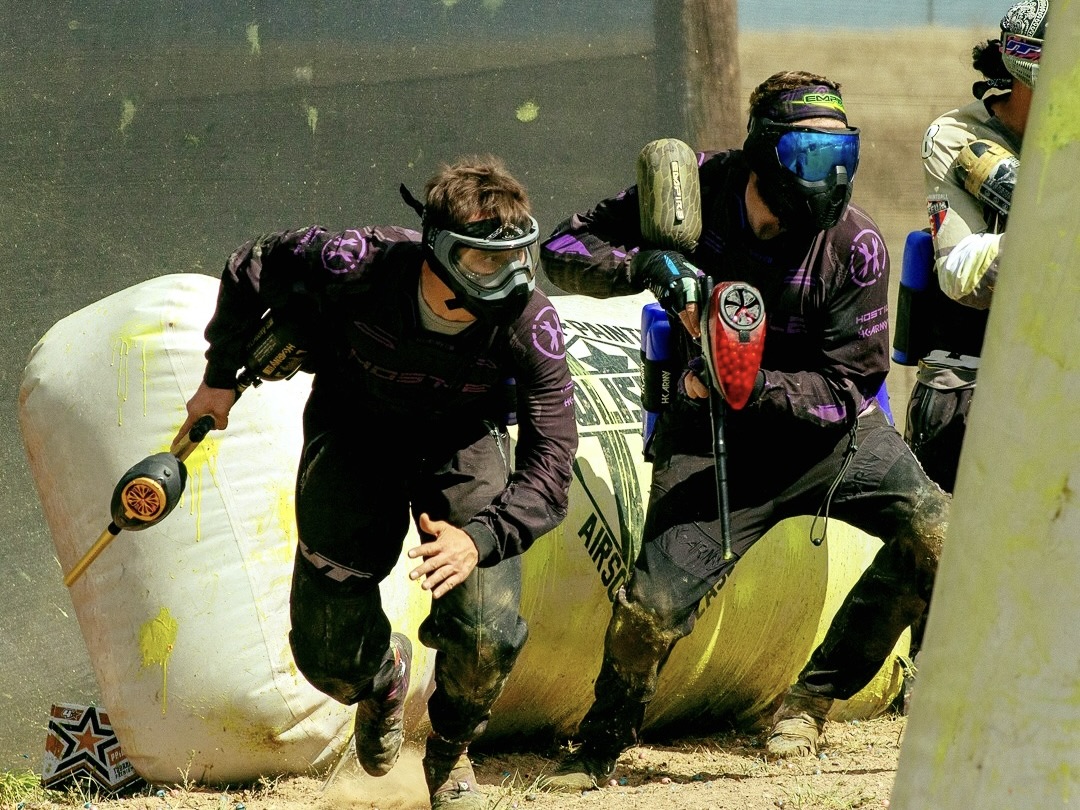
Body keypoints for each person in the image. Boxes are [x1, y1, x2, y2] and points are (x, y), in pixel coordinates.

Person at [537, 71, 950, 789]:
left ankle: (813, 699)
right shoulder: (693, 194)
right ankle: (601, 747)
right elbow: (562, 250)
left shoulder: (855, 248)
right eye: (809, 158)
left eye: (841, 156)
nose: (831, 177)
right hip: (710, 443)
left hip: (830, 441)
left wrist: (750, 386)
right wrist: (649, 264)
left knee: (940, 533)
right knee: (651, 612)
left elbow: (846, 389)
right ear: (763, 153)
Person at [172, 157, 577, 810]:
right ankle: (381, 682)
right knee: (326, 656)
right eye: (482, 262)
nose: (507, 280)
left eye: (517, 259)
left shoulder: (531, 323)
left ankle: (450, 754)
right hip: (354, 430)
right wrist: (220, 374)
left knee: (487, 634)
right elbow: (254, 264)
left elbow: (553, 461)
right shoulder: (355, 262)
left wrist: (482, 538)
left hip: (463, 442)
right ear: (438, 251)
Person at [904, 0, 1047, 493]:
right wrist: (1045, 224)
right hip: (969, 389)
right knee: (937, 563)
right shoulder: (957, 136)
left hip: (1052, 381)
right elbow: (959, 276)